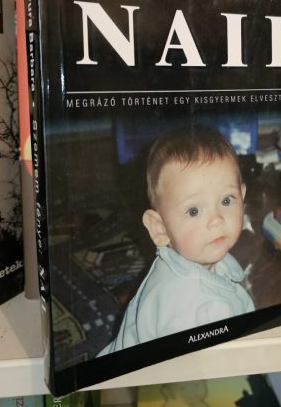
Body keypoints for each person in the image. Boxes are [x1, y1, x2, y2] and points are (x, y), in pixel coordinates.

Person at [98, 125, 254, 355]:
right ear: (160, 228)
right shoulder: (205, 312)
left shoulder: (177, 260)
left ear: (242, 196)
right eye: (194, 211)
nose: (217, 220)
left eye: (227, 200)